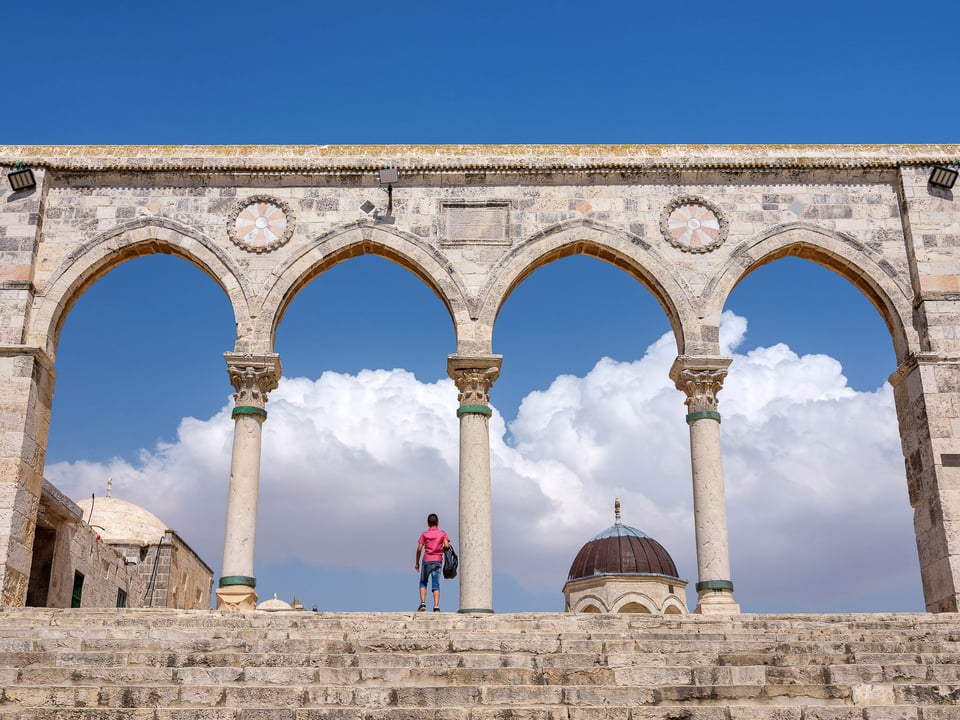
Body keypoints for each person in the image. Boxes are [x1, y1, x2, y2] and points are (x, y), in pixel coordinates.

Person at [415, 513, 450, 612]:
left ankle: (423, 604)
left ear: (428, 523)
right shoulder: (442, 533)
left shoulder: (425, 534)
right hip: (437, 561)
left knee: (423, 582)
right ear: (438, 523)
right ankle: (436, 606)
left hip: (426, 560)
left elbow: (419, 549)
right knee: (436, 584)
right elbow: (447, 545)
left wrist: (417, 562)